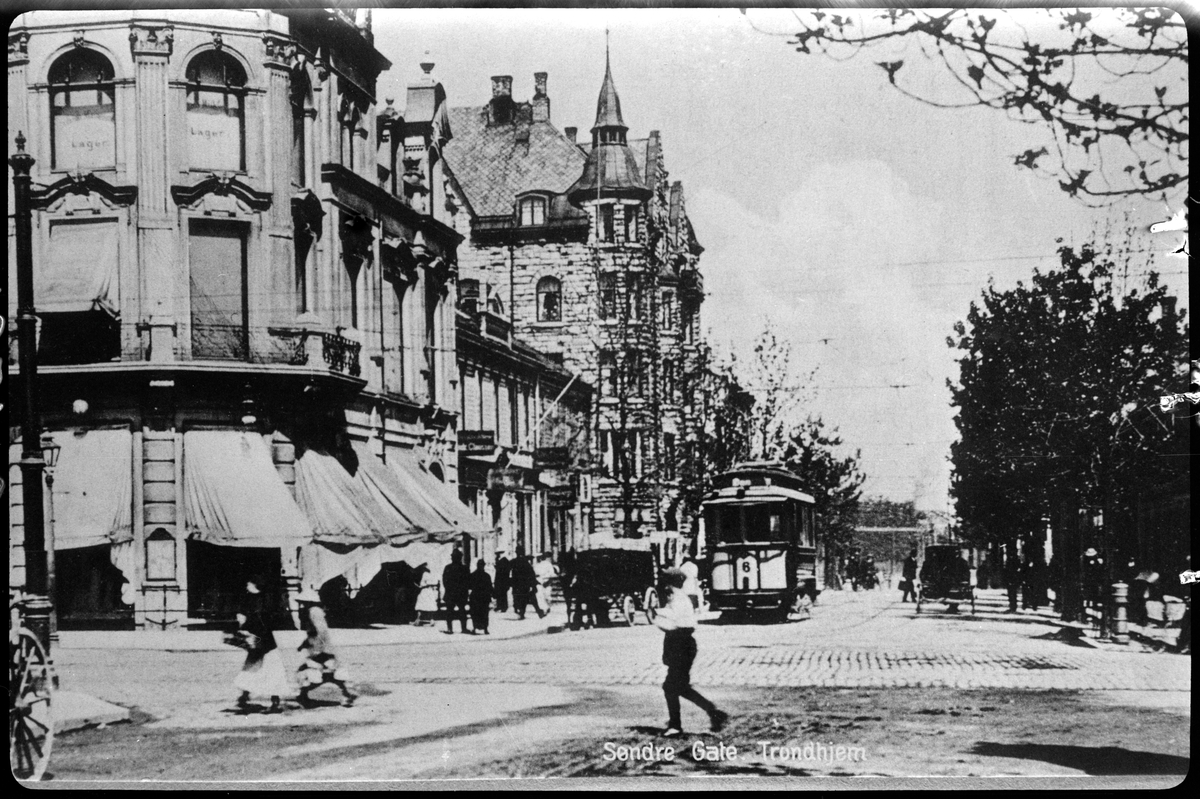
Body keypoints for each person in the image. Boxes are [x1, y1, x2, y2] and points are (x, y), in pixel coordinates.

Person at [654, 569, 728, 738]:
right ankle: (713, 712)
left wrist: (656, 618)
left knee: (671, 687)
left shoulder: (678, 600)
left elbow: (675, 625)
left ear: (670, 583)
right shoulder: (678, 598)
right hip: (681, 644)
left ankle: (676, 725)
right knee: (680, 687)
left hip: (681, 644)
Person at [232, 579, 290, 714]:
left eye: (249, 583)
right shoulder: (260, 600)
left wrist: (245, 626)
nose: (246, 585)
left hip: (263, 643)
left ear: (254, 585)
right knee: (258, 670)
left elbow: (258, 620)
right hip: (264, 642)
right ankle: (245, 697)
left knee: (261, 670)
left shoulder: (258, 602)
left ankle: (251, 698)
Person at [295, 589, 357, 708]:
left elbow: (321, 632)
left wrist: (318, 649)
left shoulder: (314, 612)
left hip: (320, 649)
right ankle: (346, 694)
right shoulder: (313, 611)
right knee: (328, 674)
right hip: (320, 648)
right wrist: (304, 644)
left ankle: (345, 695)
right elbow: (313, 633)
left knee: (317, 672)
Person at [442, 549, 471, 634]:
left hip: (451, 593)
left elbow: (445, 581)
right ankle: (463, 628)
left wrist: (448, 588)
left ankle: (450, 629)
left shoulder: (448, 567)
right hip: (461, 593)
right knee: (462, 611)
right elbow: (468, 581)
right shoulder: (465, 568)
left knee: (449, 611)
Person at [510, 549, 541, 620]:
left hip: (517, 584)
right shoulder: (526, 562)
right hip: (525, 584)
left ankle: (521, 613)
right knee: (532, 598)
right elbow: (531, 574)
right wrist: (533, 584)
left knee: (520, 599)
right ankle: (538, 611)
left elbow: (507, 570)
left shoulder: (513, 562)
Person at [469, 559, 493, 635]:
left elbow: (469, 586)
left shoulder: (473, 575)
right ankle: (484, 628)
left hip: (475, 596)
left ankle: (476, 628)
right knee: (484, 613)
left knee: (475, 613)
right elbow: (490, 587)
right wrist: (493, 594)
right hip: (484, 597)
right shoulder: (486, 576)